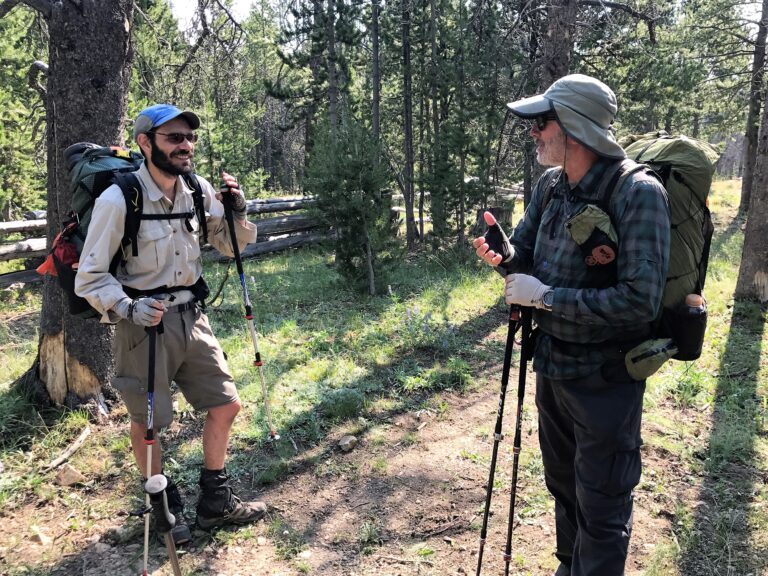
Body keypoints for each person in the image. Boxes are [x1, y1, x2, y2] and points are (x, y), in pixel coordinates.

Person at [472, 75, 670, 576]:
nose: (533, 133)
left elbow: (638, 302)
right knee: (564, 489)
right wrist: (503, 258)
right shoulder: (551, 186)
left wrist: (547, 298)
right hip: (553, 369)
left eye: (542, 122)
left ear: (575, 127)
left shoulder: (638, 193)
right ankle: (570, 567)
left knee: (602, 506)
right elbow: (526, 256)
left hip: (606, 379)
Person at [76, 104, 266, 543]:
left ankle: (215, 502)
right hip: (141, 326)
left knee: (226, 404)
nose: (185, 146)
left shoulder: (197, 190)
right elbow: (90, 276)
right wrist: (126, 308)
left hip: (192, 317)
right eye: (174, 138)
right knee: (148, 424)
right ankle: (164, 508)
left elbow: (228, 244)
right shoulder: (119, 198)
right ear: (145, 143)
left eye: (189, 138)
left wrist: (236, 211)